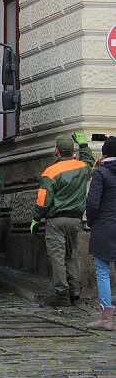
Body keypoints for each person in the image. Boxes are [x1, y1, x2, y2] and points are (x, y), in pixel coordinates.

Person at [30, 132, 94, 306]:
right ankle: (75, 290)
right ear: (72, 151)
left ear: (57, 151)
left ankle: (61, 295)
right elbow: (90, 162)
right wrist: (84, 145)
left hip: (56, 221)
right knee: (71, 255)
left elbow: (44, 201)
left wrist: (36, 219)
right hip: (75, 220)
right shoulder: (82, 168)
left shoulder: (50, 172)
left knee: (57, 257)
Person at [85, 135, 116, 331]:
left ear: (104, 153)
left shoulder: (100, 173)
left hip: (104, 227)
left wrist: (91, 221)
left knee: (103, 271)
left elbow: (93, 203)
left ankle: (106, 318)